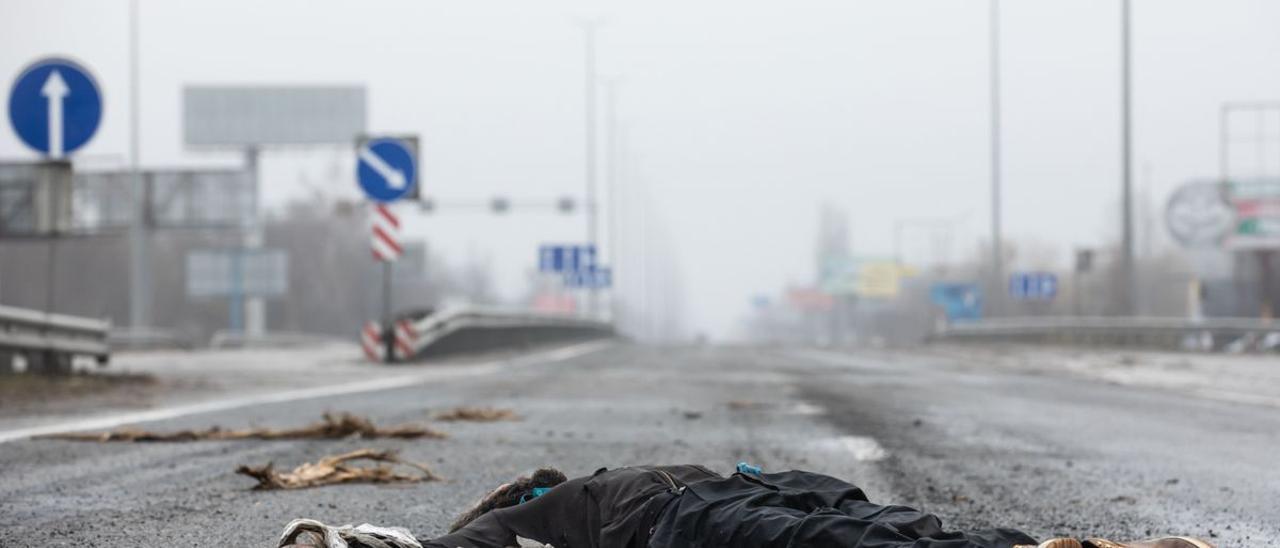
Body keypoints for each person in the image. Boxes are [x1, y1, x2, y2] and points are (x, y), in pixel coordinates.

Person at [279, 463, 1213, 548]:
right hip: (726, 494)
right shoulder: (543, 506)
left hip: (695, 516)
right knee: (869, 529)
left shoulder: (513, 523)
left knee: (853, 537)